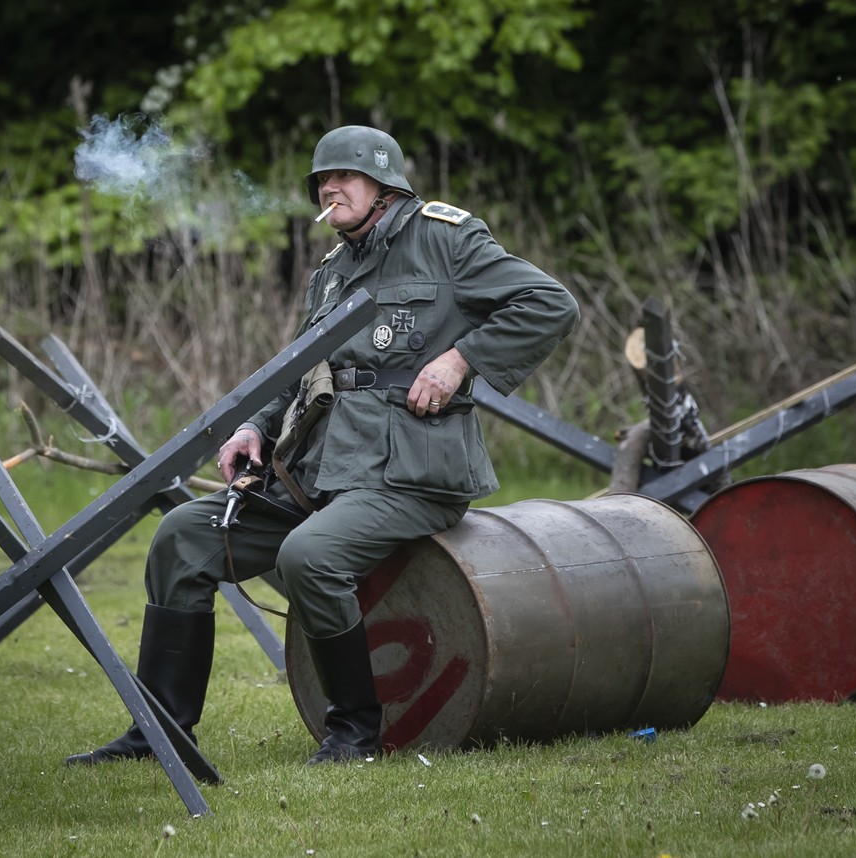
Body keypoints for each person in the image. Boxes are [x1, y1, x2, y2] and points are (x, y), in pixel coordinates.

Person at [65, 125, 579, 767]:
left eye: (345, 177)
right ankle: (159, 732)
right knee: (182, 538)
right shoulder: (331, 274)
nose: (329, 188)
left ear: (386, 186)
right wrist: (255, 425)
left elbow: (549, 303)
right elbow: (305, 371)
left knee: (310, 556)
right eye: (321, 181)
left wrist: (460, 361)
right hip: (319, 471)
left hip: (410, 474)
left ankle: (355, 733)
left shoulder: (448, 239)